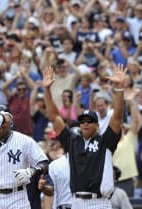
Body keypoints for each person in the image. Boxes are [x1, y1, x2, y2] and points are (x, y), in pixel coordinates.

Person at [43, 64, 127, 209]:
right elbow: (54, 116)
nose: (85, 124)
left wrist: (119, 88)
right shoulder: (72, 140)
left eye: (90, 121)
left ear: (97, 125)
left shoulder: (105, 141)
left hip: (99, 202)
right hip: (75, 202)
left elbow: (117, 118)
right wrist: (47, 90)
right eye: (82, 121)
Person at [0, 111, 48, 209]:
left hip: (17, 196)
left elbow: (44, 164)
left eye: (3, 121)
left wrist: (31, 171)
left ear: (11, 123)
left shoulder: (25, 141)